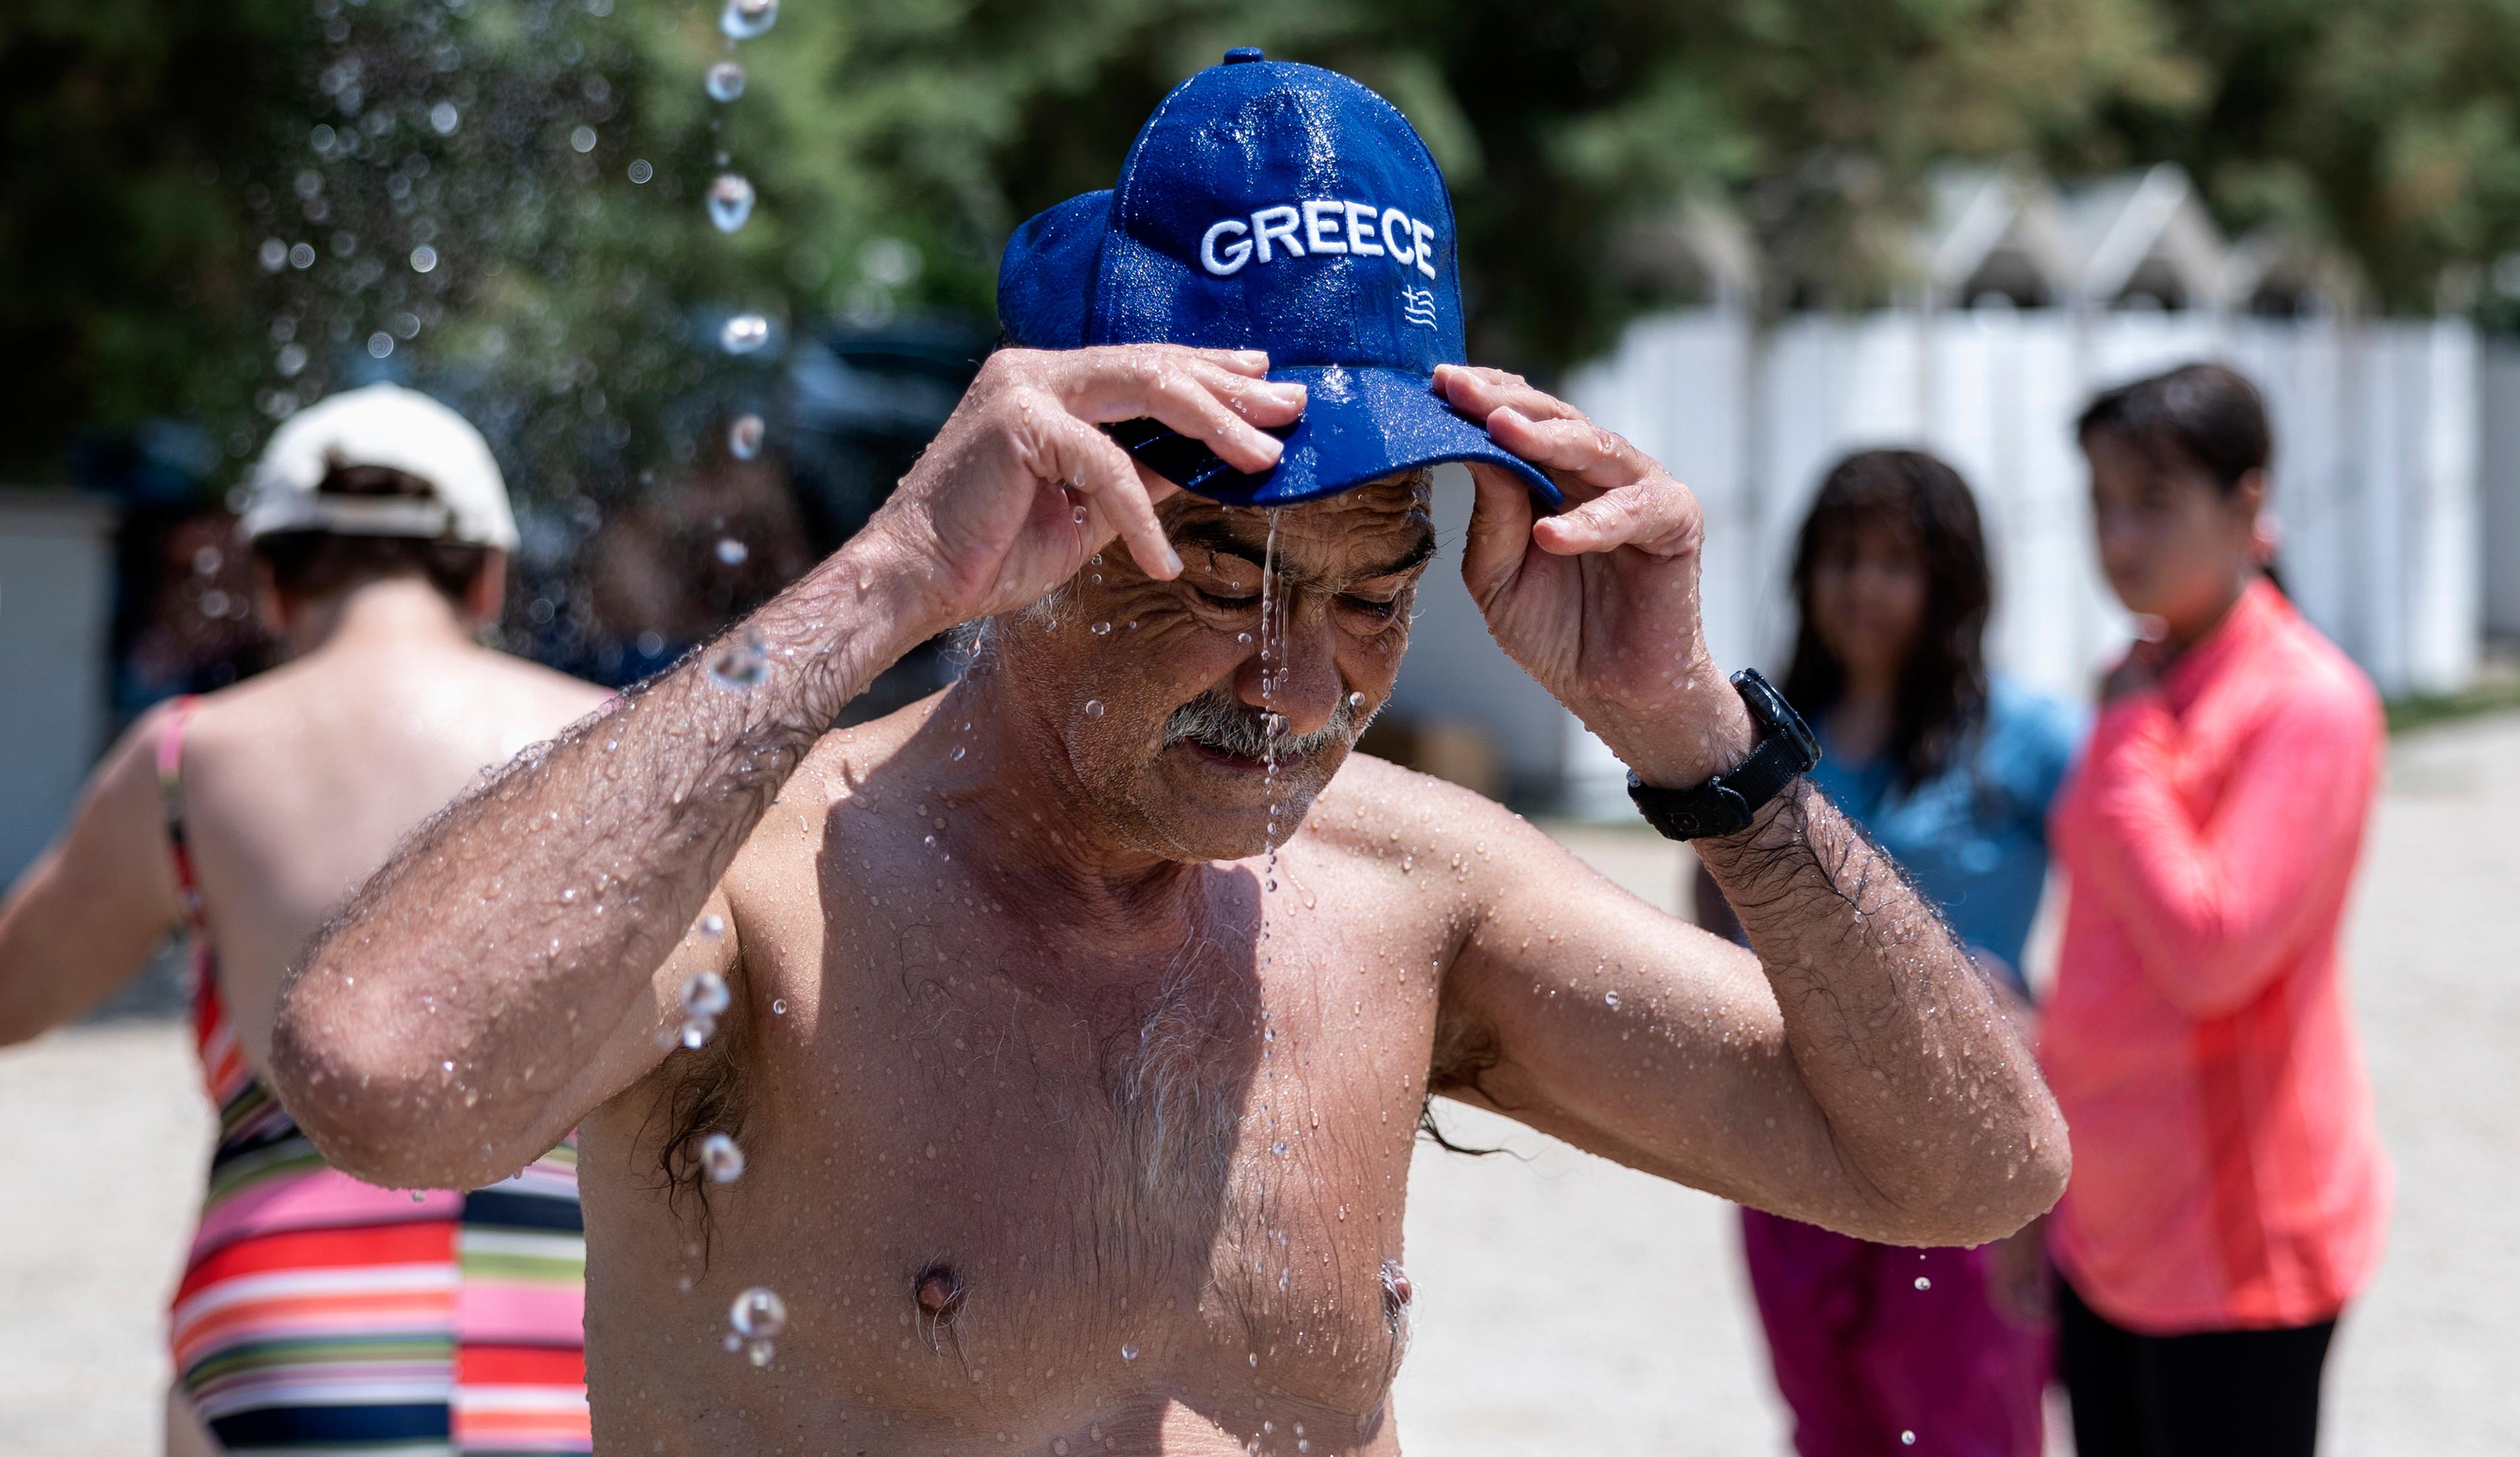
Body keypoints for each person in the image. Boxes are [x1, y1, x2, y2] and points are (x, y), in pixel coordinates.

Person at [273, 54, 2069, 1455]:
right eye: (1217, 578)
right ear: (1041, 516)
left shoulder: (1409, 896)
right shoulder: (774, 900)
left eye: (1374, 598)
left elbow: (1974, 1171)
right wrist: (884, 581)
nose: (1295, 689)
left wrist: (1703, 742)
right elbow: (379, 1075)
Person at [0, 384, 607, 1455]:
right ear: (488, 576)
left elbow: (18, 994)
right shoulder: (617, 743)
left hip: (288, 1323)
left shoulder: (189, 759)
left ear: (271, 583)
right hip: (568, 1318)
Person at [1694, 450, 2081, 1456]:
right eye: (1843, 557)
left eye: (1895, 562)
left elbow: (2129, 907)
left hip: (1964, 1135)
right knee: (1826, 1423)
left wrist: (2056, 1028)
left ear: (1950, 581)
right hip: (1794, 1136)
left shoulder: (2029, 738)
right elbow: (1712, 915)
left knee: (1966, 1425)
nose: (1863, 585)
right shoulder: (1765, 736)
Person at [2040, 362, 2389, 1457]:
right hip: (2106, 1221)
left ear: (2249, 501)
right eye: (2102, 502)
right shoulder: (2147, 671)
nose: (2119, 536)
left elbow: (2211, 950)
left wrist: (2129, 742)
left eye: (2152, 501)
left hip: (2234, 1246)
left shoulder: (2309, 704)